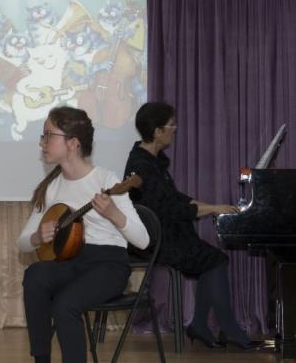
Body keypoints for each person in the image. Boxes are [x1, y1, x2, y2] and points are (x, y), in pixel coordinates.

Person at [124, 101, 262, 350]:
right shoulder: (141, 165)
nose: (175, 129)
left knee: (213, 260)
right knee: (215, 261)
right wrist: (212, 209)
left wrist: (211, 206)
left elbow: (175, 199)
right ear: (157, 131)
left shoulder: (152, 160)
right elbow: (169, 209)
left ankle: (200, 325)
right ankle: (224, 327)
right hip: (155, 239)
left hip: (169, 233)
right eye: (171, 125)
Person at [18, 106, 150, 363]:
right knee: (34, 274)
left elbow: (143, 241)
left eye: (49, 135)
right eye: (43, 136)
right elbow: (23, 243)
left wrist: (113, 213)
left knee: (64, 305)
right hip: (70, 262)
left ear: (73, 143)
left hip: (109, 265)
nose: (42, 143)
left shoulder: (106, 180)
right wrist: (38, 237)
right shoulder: (51, 187)